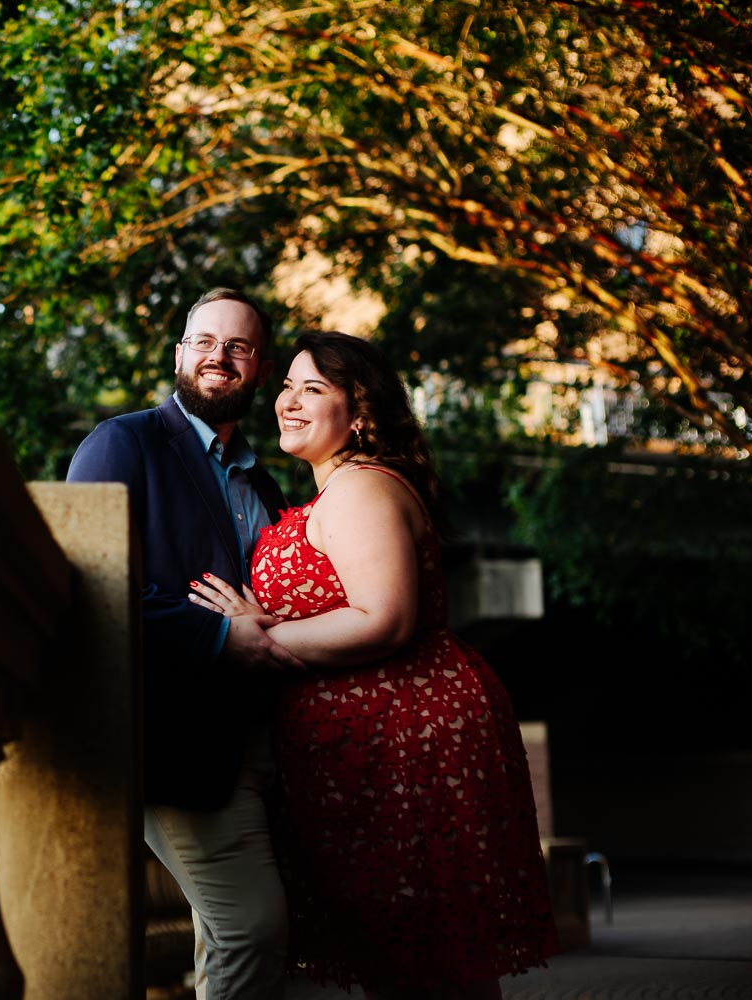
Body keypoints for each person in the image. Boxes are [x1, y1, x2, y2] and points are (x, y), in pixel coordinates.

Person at [189, 331, 560, 999]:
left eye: (313, 390)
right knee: (410, 965)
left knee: (423, 965)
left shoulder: (360, 489)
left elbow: (382, 618)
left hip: (402, 746)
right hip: (367, 750)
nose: (289, 403)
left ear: (358, 413)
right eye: (287, 387)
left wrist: (257, 635)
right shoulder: (337, 492)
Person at [67, 287, 301, 999]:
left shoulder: (265, 479)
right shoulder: (124, 441)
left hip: (260, 740)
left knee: (223, 935)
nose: (217, 358)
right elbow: (91, 585)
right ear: (179, 355)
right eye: (203, 342)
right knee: (250, 928)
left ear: (260, 370)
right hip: (177, 743)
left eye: (237, 348)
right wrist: (221, 635)